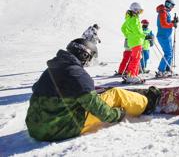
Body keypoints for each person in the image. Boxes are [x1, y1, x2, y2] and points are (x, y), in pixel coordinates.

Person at [25, 38, 161, 142]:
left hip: (35, 128)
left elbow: (38, 89)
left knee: (89, 97)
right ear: (84, 55)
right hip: (60, 129)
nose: (88, 63)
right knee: (116, 94)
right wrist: (116, 114)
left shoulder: (50, 70)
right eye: (89, 59)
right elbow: (99, 110)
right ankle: (147, 103)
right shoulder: (77, 74)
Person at [120, 2, 146, 84]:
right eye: (139, 11)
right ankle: (131, 76)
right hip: (136, 41)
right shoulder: (134, 19)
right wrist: (145, 35)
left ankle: (133, 74)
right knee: (136, 58)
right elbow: (137, 30)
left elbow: (123, 28)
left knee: (136, 58)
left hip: (133, 41)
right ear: (135, 10)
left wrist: (128, 35)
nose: (139, 13)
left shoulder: (129, 18)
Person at [156, 0, 178, 77]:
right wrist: (173, 24)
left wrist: (173, 21)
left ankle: (167, 69)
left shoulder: (165, 12)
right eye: (171, 6)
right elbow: (164, 24)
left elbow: (167, 22)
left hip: (167, 35)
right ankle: (161, 71)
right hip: (163, 35)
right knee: (168, 53)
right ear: (168, 4)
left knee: (170, 53)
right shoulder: (163, 12)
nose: (172, 8)